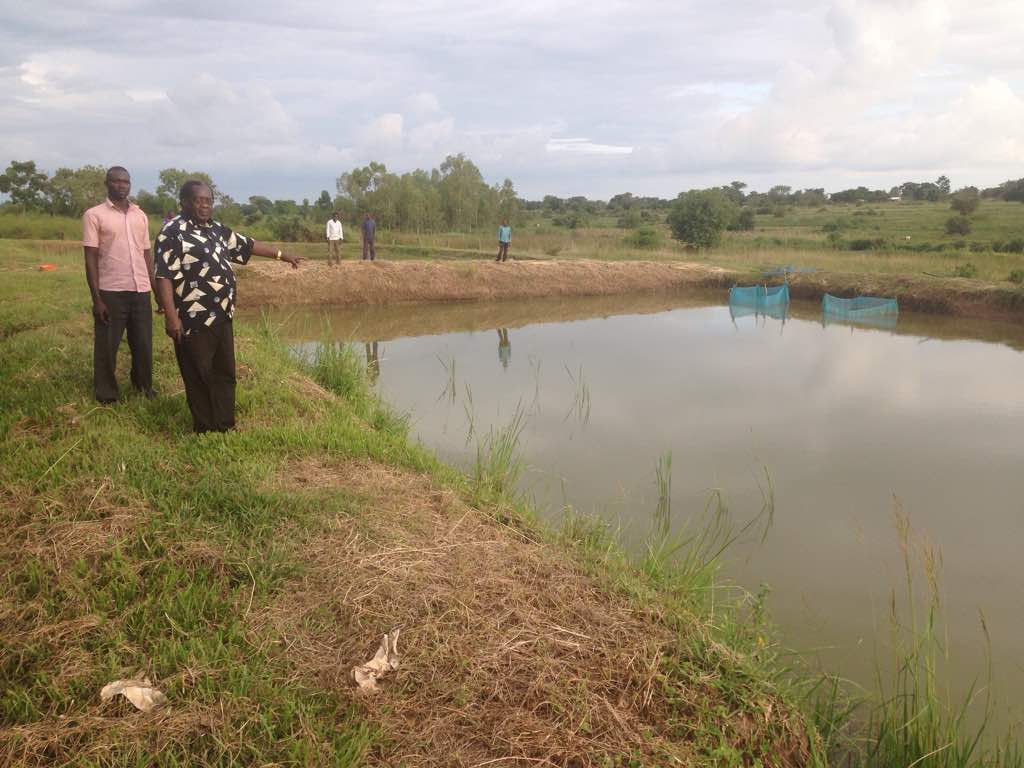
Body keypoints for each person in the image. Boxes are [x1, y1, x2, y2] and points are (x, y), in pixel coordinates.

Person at [153, 180, 303, 434]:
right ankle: (204, 427)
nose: (204, 205)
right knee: (198, 374)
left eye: (208, 201)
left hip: (222, 314)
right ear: (184, 202)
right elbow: (163, 275)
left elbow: (248, 245)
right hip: (192, 317)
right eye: (198, 200)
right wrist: (170, 315)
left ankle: (224, 424)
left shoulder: (216, 230)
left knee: (224, 372)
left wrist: (282, 255)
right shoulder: (172, 232)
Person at [82, 166, 156, 403]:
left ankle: (143, 386)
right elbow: (90, 256)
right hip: (111, 291)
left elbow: (146, 255)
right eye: (116, 181)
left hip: (140, 290)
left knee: (143, 344)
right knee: (107, 346)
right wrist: (97, 299)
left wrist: (158, 293)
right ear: (107, 183)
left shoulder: (140, 215)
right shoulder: (94, 215)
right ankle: (106, 394)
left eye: (126, 181)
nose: (122, 185)